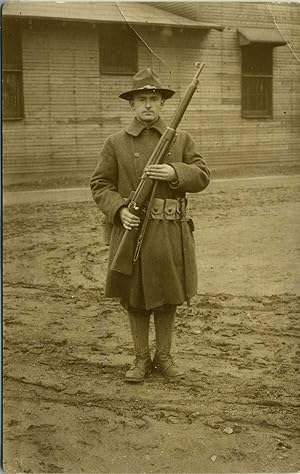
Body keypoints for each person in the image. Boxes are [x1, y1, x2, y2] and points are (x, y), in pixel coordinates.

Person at [90, 68, 210, 383]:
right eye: (141, 99)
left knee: (169, 295)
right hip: (133, 229)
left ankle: (165, 357)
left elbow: (202, 175)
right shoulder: (115, 142)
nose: (147, 105)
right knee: (135, 296)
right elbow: (100, 185)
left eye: (154, 99)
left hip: (170, 232)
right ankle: (141, 359)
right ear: (131, 104)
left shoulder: (181, 139)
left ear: (162, 104)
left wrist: (174, 171)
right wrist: (118, 211)